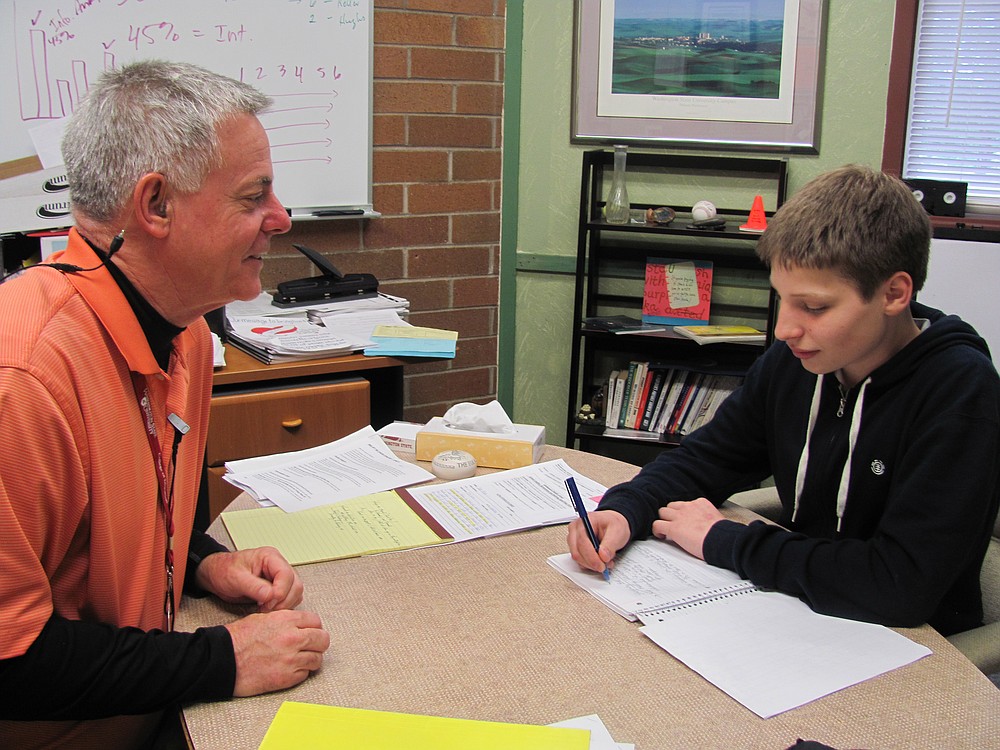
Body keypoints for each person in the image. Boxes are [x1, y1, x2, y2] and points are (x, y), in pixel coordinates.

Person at [0, 60, 330, 748]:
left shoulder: (186, 334)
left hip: (147, 711)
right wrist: (223, 658)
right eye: (252, 197)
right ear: (155, 207)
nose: (281, 217)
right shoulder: (23, 379)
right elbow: (10, 659)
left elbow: (120, 522)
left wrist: (204, 562)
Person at [568, 164, 1000, 637]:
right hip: (800, 611)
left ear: (894, 293)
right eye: (783, 300)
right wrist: (627, 508)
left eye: (814, 307)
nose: (785, 329)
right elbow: (709, 458)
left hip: (919, 645)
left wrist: (724, 540)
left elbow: (901, 585)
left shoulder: (960, 390)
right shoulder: (797, 360)